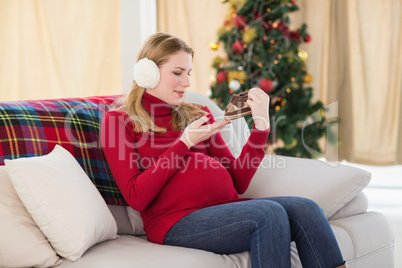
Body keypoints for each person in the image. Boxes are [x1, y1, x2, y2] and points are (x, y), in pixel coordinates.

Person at [101, 32, 346, 268]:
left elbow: (238, 181)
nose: (186, 83)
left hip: (225, 208)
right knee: (267, 213)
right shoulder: (119, 120)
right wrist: (184, 143)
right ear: (148, 73)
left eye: (188, 73)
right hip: (174, 221)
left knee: (307, 209)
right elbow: (136, 196)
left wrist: (261, 126)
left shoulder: (198, 113)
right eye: (177, 73)